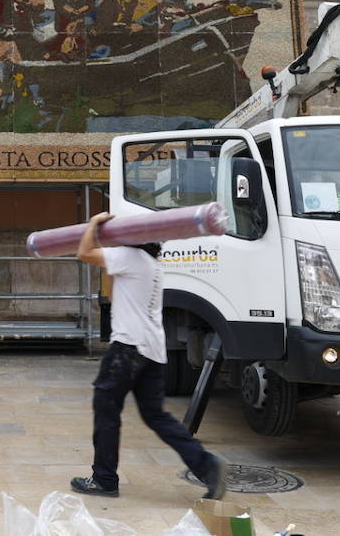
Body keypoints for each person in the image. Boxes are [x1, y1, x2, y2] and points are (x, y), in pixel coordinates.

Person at [70, 212, 226, 500]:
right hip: (152, 351)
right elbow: (117, 297)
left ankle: (104, 479)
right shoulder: (153, 265)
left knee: (106, 408)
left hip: (127, 348)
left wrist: (93, 224)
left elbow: (84, 252)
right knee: (157, 416)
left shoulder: (129, 257)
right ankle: (207, 466)